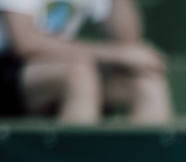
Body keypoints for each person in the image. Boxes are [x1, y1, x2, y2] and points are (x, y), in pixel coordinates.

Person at [0, 0, 172, 124]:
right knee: (79, 75)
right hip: (9, 67)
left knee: (147, 81)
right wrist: (116, 54)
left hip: (59, 65)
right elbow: (25, 43)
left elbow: (128, 41)